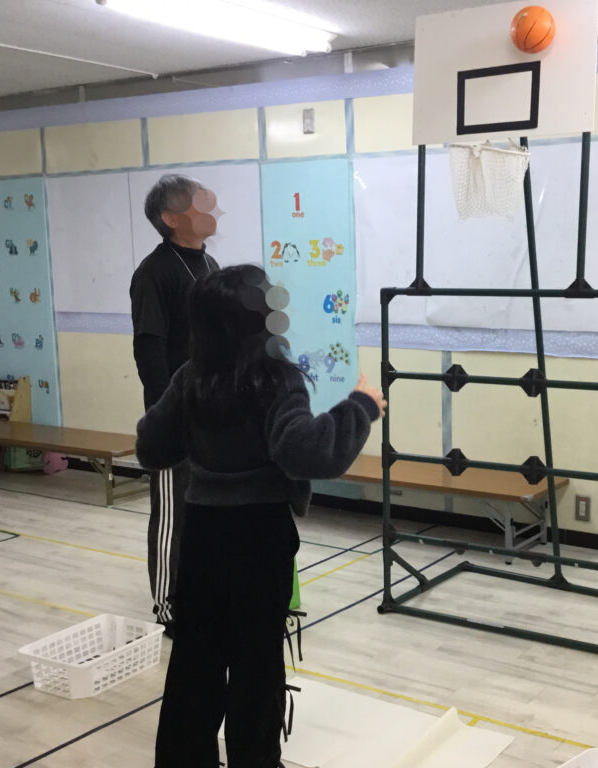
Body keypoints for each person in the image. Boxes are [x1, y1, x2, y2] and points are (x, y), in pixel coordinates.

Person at [136, 264, 385, 768]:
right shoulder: (276, 380)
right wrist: (361, 406)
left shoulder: (191, 378)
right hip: (259, 539)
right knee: (256, 666)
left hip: (203, 535)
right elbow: (307, 452)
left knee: (195, 663)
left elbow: (151, 446)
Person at [130, 174, 221, 637]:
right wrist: (169, 416)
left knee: (210, 510)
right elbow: (149, 350)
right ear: (170, 218)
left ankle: (206, 593)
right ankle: (169, 606)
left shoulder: (210, 265)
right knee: (173, 513)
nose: (210, 209)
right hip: (175, 419)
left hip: (214, 413)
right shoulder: (154, 273)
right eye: (197, 203)